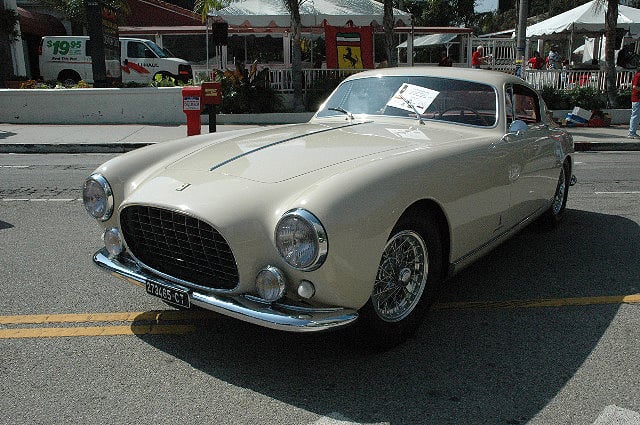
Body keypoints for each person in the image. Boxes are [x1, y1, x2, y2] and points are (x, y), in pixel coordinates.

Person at [628, 67, 640, 138]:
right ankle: (632, 133)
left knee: (636, 116)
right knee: (635, 116)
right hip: (637, 99)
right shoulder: (638, 75)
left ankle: (632, 132)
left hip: (637, 99)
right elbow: (635, 86)